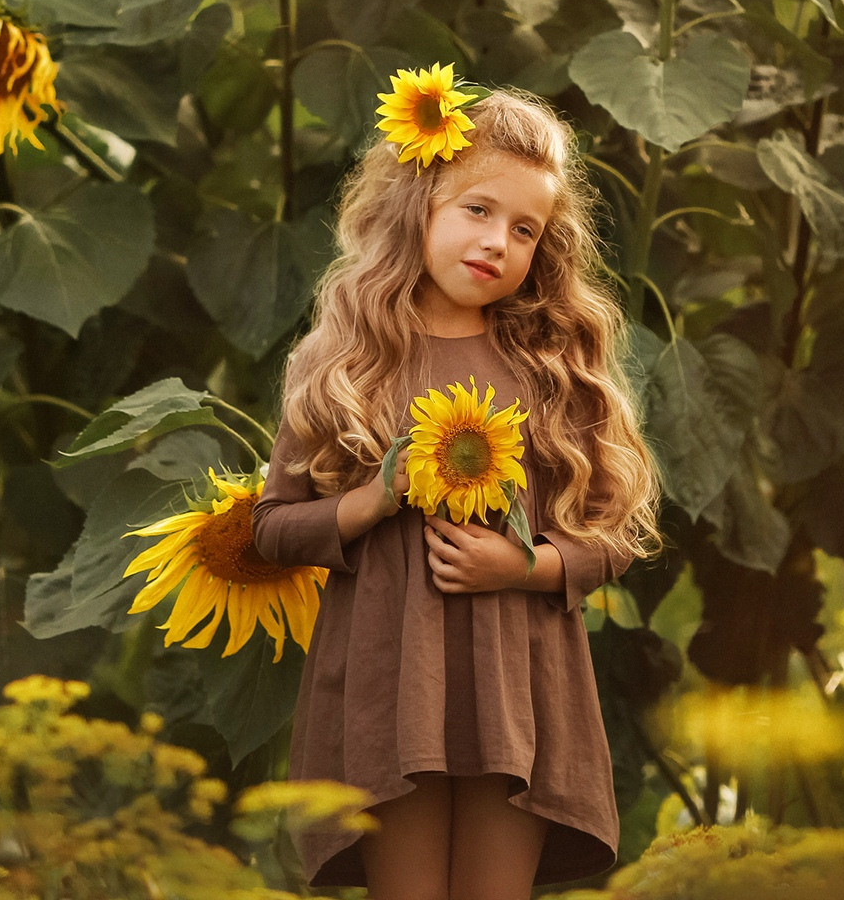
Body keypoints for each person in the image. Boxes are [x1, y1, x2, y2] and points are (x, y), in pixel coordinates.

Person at [250, 85, 662, 900]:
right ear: (417, 203)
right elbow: (270, 529)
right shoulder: (342, 362)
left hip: (519, 687)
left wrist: (526, 569)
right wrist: (369, 504)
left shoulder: (555, 370)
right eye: (477, 209)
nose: (497, 242)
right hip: (389, 686)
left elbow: (613, 534)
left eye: (524, 230)